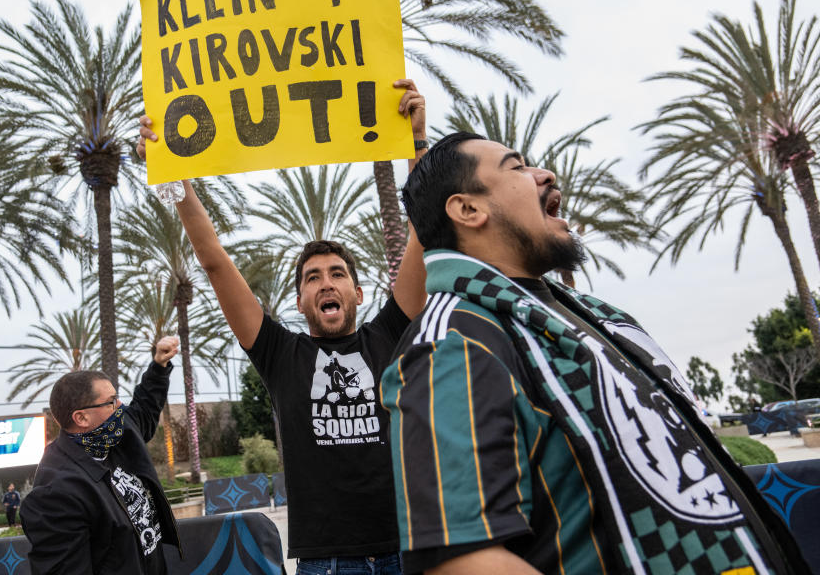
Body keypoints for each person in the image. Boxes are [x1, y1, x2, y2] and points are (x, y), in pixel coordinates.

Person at [380, 132, 809, 574]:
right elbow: (463, 561)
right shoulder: (453, 343)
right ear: (468, 210)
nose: (544, 174)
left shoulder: (589, 317)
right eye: (516, 167)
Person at [137, 79, 428, 574]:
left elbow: (428, 233)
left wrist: (417, 145)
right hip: (327, 563)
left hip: (409, 551)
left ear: (359, 293)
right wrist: (175, 175)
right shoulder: (279, 354)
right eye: (313, 278)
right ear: (299, 300)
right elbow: (213, 262)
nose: (325, 283)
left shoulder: (390, 334)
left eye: (338, 274)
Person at [21, 336, 183, 575]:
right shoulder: (55, 494)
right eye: (110, 401)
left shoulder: (115, 435)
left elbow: (145, 410)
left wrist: (158, 366)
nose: (120, 406)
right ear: (82, 418)